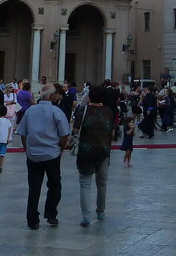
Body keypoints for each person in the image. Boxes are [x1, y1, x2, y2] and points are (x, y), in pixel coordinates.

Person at [16, 83, 71, 230]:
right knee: (54, 185)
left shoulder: (30, 111)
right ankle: (51, 213)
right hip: (51, 154)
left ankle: (32, 219)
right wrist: (60, 148)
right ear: (52, 96)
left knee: (34, 188)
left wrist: (27, 149)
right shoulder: (56, 111)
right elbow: (64, 134)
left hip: (33, 154)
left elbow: (23, 132)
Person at [74, 85, 113, 226]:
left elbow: (75, 129)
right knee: (102, 183)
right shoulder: (108, 111)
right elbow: (112, 132)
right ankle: (101, 212)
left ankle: (86, 216)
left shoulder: (83, 110)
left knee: (85, 183)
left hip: (86, 151)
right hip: (103, 150)